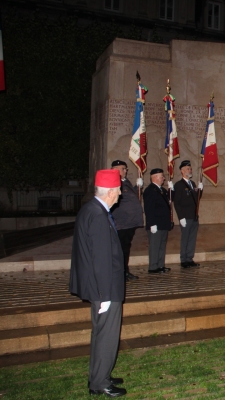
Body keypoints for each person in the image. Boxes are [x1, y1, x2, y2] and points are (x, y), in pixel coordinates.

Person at [69, 169, 127, 397]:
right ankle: (100, 383)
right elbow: (100, 259)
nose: (120, 193)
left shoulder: (90, 210)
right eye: (119, 190)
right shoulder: (99, 215)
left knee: (100, 333)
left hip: (100, 286)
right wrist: (104, 296)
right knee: (106, 335)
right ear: (110, 192)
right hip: (105, 288)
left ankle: (100, 374)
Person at [110, 160, 144, 281]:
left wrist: (138, 187)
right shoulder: (113, 182)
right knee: (120, 249)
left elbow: (131, 196)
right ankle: (120, 272)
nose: (126, 171)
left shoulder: (125, 181)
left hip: (130, 223)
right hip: (121, 223)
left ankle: (124, 271)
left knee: (125, 248)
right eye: (123, 169)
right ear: (115, 169)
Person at [172, 160, 203, 268]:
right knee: (185, 238)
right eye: (188, 169)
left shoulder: (193, 183)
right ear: (182, 171)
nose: (190, 170)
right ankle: (183, 259)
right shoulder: (179, 185)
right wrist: (181, 217)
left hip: (194, 216)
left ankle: (189, 258)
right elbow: (177, 203)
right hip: (185, 216)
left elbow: (196, 199)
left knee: (192, 238)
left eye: (190, 168)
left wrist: (200, 190)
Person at [143, 168, 172, 274]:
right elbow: (149, 208)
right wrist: (151, 223)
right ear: (154, 177)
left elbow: (169, 201)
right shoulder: (150, 190)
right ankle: (153, 266)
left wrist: (171, 190)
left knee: (162, 245)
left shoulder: (162, 190)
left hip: (163, 223)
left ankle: (160, 265)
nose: (163, 178)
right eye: (161, 176)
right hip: (155, 223)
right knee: (155, 245)